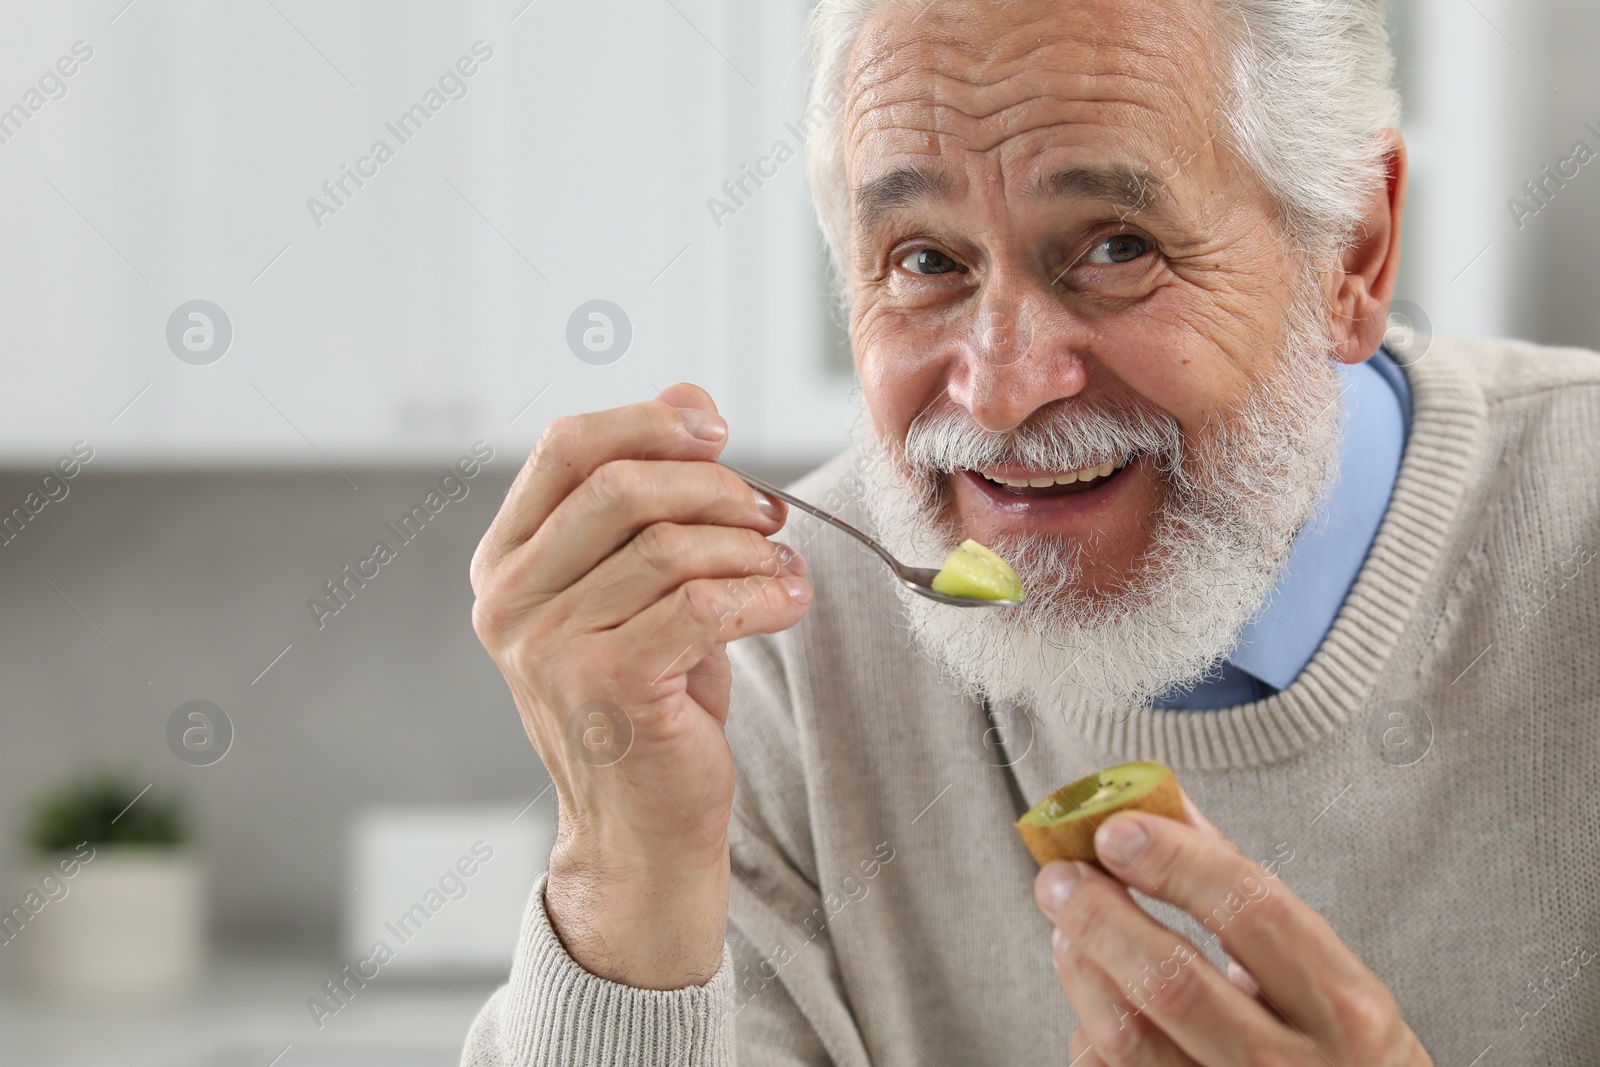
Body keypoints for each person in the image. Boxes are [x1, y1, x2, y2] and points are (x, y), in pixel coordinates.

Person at [460, 0, 1600, 1063]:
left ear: (1349, 254)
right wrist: (624, 872)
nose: (1000, 390)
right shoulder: (756, 654)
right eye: (925, 260)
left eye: (1113, 245)